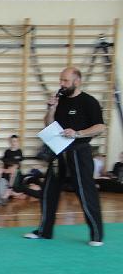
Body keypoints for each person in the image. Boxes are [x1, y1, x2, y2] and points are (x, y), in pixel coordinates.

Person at [25, 67, 105, 245]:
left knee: (85, 193)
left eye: (65, 81)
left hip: (79, 152)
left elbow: (100, 127)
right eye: (60, 80)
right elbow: (49, 124)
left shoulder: (89, 101)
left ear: (77, 81)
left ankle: (96, 235)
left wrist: (77, 133)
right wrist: (51, 109)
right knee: (49, 191)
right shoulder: (60, 100)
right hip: (58, 152)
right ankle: (44, 231)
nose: (61, 84)